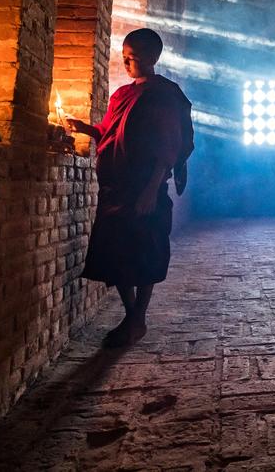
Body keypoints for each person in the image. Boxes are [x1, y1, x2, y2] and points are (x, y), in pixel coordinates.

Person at [65, 28, 194, 347]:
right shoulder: (122, 95)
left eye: (133, 57)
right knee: (116, 253)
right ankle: (132, 316)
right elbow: (109, 131)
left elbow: (168, 144)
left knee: (145, 251)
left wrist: (152, 187)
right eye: (123, 56)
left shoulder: (163, 93)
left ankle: (138, 316)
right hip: (117, 188)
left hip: (143, 187)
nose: (126, 62)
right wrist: (85, 129)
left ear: (152, 58)